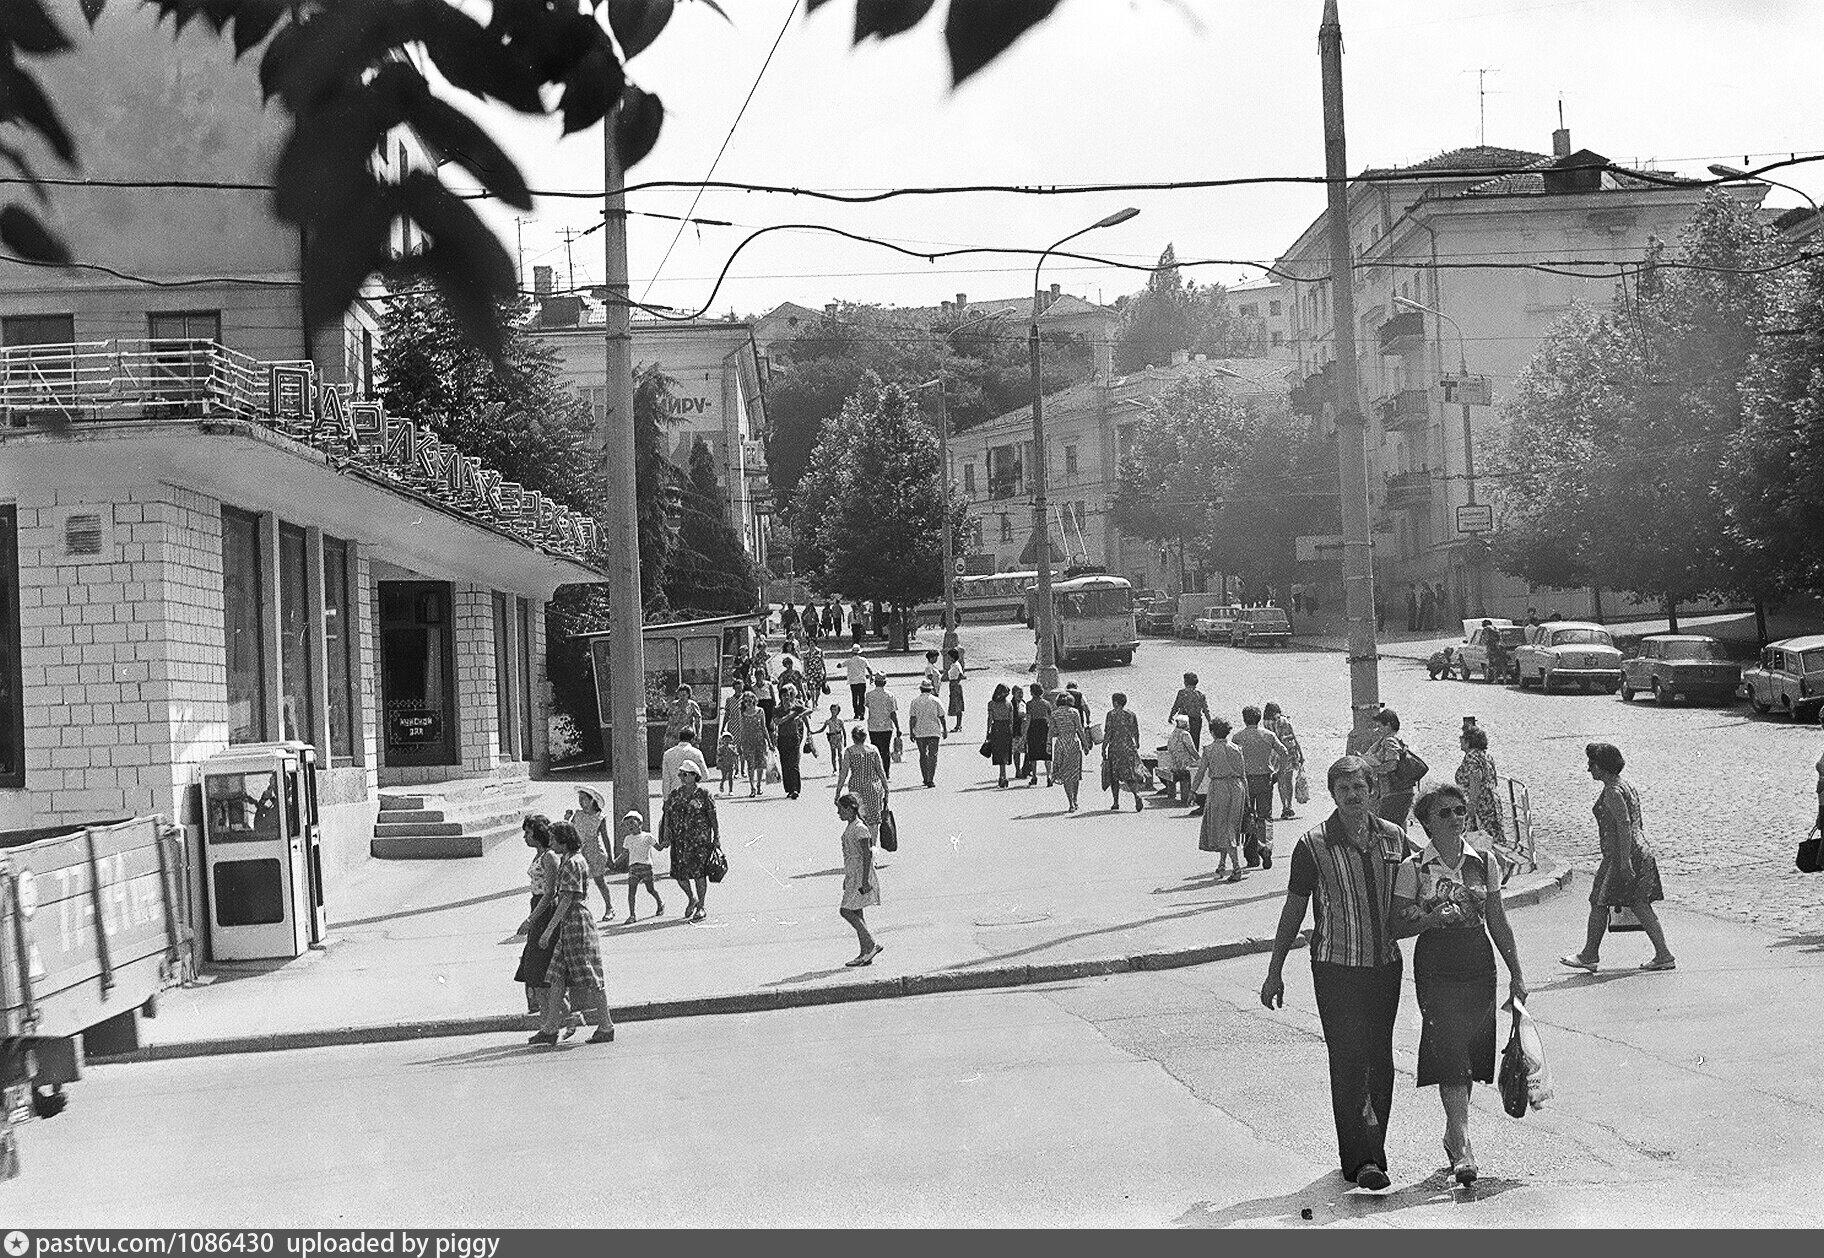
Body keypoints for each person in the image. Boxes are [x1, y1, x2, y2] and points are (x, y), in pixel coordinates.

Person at [1260, 756, 1417, 1191]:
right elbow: (1294, 908)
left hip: (1385, 966)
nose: (1352, 796)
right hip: (1335, 969)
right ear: (1332, 794)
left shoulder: (1394, 838)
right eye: (1343, 789)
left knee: (1380, 1061)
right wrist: (1275, 970)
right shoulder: (1313, 844)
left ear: (1373, 792)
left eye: (1359, 788)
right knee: (1349, 1060)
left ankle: (1373, 1149)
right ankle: (1363, 1159)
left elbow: (1421, 882)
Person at [1394, 784, 1527, 1186]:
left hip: (1477, 960)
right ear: (1426, 822)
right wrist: (1431, 919)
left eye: (1459, 812)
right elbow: (1397, 924)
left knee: (1468, 1051)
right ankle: (1465, 1145)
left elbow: (1498, 920)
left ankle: (1454, 1134)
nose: (1455, 819)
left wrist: (1517, 974)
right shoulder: (1413, 867)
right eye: (1445, 813)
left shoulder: (1484, 861)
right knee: (1449, 1049)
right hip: (1435, 961)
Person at [1560, 742, 1676, 973]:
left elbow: (1623, 824)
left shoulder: (1612, 792)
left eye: (1592, 764)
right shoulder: (1625, 786)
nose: (1589, 769)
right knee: (1639, 903)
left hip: (1621, 855)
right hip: (1638, 849)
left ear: (1602, 766)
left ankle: (1589, 954)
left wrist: (1624, 862)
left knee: (1599, 901)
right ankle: (1663, 954)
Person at [529, 821, 616, 1046]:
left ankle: (606, 1025)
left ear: (564, 841)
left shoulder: (572, 863)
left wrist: (548, 931)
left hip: (576, 924)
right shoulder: (570, 860)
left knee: (590, 976)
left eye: (554, 839)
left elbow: (566, 899)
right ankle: (550, 1028)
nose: (551, 843)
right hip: (570, 923)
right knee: (557, 976)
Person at [513, 815, 573, 1031]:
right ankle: (554, 1023)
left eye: (528, 832)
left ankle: (553, 1024)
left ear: (538, 833)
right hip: (536, 906)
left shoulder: (550, 857)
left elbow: (550, 893)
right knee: (535, 974)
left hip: (545, 911)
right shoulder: (539, 855)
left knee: (541, 972)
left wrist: (531, 920)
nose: (525, 837)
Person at [657, 760, 720, 923]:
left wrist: (717, 837)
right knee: (680, 875)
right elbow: (668, 815)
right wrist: (666, 834)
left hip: (699, 841)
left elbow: (712, 817)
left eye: (685, 774)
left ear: (694, 776)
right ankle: (692, 898)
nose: (682, 777)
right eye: (680, 774)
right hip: (679, 841)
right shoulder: (675, 794)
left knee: (699, 874)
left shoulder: (704, 794)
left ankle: (701, 906)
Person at [1189, 718, 1248, 882]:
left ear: (1212, 732)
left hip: (1219, 788)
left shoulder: (1209, 750)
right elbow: (1243, 775)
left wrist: (1193, 790)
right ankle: (1222, 863)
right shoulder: (1236, 749)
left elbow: (1200, 772)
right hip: (1237, 788)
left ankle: (1236, 867)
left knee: (1222, 827)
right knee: (1231, 826)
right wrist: (1247, 798)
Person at [1234, 706, 1290, 869]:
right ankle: (1266, 847)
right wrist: (1280, 773)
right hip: (1265, 778)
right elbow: (1284, 752)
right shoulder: (1268, 735)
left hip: (1246, 780)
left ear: (1244, 719)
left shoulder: (1238, 737)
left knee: (1248, 816)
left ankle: (1252, 856)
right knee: (1265, 816)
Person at [835, 792, 884, 968]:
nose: (839, 813)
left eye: (841, 809)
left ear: (850, 809)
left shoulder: (860, 828)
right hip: (853, 874)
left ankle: (871, 943)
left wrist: (865, 880)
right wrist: (847, 878)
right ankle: (865, 953)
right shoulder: (851, 827)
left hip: (860, 874)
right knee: (856, 912)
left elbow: (867, 856)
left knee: (846, 911)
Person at [566, 787, 616, 924]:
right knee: (580, 883)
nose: (581, 802)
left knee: (600, 880)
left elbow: (606, 838)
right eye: (580, 799)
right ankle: (582, 910)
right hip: (578, 851)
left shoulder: (599, 817)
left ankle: (609, 907)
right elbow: (568, 830)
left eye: (584, 799)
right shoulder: (577, 815)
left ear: (592, 800)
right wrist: (566, 819)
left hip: (594, 851)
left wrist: (610, 857)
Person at [1362, 707, 1419, 828]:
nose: (1378, 730)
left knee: (1388, 828)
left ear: (1388, 725)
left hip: (1394, 791)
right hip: (1401, 791)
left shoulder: (1389, 741)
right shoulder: (1398, 740)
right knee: (1398, 828)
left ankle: (1412, 847)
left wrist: (1373, 769)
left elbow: (1392, 764)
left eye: (1380, 726)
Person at [1454, 725, 1505, 845]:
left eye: (1462, 737)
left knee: (1479, 840)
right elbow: (1493, 780)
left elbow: (1475, 779)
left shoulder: (1472, 757)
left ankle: (1492, 862)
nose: (1460, 739)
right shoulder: (1486, 756)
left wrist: (1471, 805)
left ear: (1469, 741)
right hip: (1491, 802)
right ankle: (1500, 861)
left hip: (1479, 805)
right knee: (1492, 838)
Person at [835, 725, 889, 839]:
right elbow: (880, 770)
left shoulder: (849, 751)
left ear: (853, 738)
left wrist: (838, 791)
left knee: (859, 818)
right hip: (873, 787)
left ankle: (861, 846)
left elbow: (843, 772)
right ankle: (872, 848)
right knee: (873, 820)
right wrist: (886, 787)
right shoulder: (873, 750)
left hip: (856, 787)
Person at [1100, 692, 1148, 812]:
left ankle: (1116, 802)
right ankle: (1136, 795)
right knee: (1130, 774)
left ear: (1115, 702)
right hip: (1129, 747)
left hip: (1115, 748)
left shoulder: (1111, 714)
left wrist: (1103, 747)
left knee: (1114, 776)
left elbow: (1108, 732)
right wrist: (1137, 743)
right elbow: (1136, 731)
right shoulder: (1131, 714)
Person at [1049, 692, 1092, 812]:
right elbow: (1079, 729)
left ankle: (1070, 802)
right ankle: (1076, 799)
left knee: (1065, 773)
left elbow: (1051, 731)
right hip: (1073, 743)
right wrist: (1085, 745)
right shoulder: (1074, 712)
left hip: (1061, 743)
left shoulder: (1054, 714)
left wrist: (1048, 745)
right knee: (1075, 774)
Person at [619, 810, 665, 922]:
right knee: (631, 891)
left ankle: (660, 902)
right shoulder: (628, 839)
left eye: (631, 823)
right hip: (633, 868)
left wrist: (665, 843)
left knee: (650, 889)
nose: (629, 826)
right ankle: (632, 915)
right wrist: (614, 862)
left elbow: (658, 847)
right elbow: (625, 853)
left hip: (646, 867)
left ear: (639, 823)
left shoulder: (647, 836)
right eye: (627, 824)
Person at [1264, 701, 1304, 820]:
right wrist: (1300, 753)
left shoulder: (1266, 723)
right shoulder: (1283, 721)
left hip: (1275, 754)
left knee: (1281, 781)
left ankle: (1284, 806)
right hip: (1289, 752)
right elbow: (1292, 738)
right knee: (1288, 781)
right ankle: (1289, 806)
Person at [731, 690, 773, 798]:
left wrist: (769, 742)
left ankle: (758, 784)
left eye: (750, 700)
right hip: (747, 741)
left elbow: (764, 727)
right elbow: (742, 729)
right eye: (745, 701)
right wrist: (739, 744)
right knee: (750, 765)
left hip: (759, 741)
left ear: (754, 700)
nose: (748, 703)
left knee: (760, 764)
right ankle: (752, 787)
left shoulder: (760, 711)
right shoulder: (743, 713)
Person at [909, 680, 947, 788]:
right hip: (934, 731)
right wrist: (945, 729)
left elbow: (912, 718)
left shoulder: (915, 701)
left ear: (920, 689)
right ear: (930, 689)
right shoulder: (936, 700)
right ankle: (930, 779)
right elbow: (942, 716)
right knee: (933, 755)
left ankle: (925, 777)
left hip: (920, 731)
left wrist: (911, 732)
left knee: (922, 755)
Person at [863, 673, 901, 780]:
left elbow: (867, 705)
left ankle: (876, 772)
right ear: (885, 682)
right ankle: (886, 772)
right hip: (886, 726)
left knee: (875, 750)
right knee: (885, 751)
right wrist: (898, 727)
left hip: (873, 726)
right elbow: (893, 713)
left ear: (875, 682)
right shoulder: (890, 695)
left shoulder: (869, 695)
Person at [661, 728, 710, 800]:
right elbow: (705, 776)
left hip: (674, 796)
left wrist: (666, 799)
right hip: (693, 796)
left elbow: (666, 779)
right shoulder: (696, 753)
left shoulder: (668, 754)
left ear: (679, 738)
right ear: (693, 739)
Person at [776, 698, 809, 799]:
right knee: (785, 764)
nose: (786, 698)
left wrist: (799, 715)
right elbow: (777, 721)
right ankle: (789, 789)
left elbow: (809, 710)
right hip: (782, 738)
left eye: (788, 695)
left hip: (794, 737)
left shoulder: (795, 707)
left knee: (794, 764)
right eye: (784, 695)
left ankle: (795, 789)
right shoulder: (777, 709)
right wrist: (790, 716)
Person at [1022, 684, 1054, 787]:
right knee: (1047, 753)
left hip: (1034, 728)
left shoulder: (1029, 704)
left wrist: (1025, 734)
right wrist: (1051, 732)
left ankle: (1034, 776)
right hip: (1044, 727)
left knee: (1033, 754)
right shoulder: (1047, 704)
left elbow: (1028, 719)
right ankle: (1049, 776)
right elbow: (1050, 719)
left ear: (1032, 692)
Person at [986, 683, 1016, 788]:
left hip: (997, 727)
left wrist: (988, 731)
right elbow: (1011, 720)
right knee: (1005, 753)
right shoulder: (1009, 704)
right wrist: (1011, 731)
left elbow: (990, 718)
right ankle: (1003, 776)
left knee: (999, 753)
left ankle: (1002, 776)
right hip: (1006, 728)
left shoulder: (991, 704)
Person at [1170, 672, 1210, 748]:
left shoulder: (1182, 693)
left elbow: (1176, 706)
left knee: (1182, 741)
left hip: (1183, 720)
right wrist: (1210, 722)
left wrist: (1171, 716)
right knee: (1195, 741)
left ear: (1185, 682)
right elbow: (1206, 710)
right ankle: (1195, 757)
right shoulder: (1200, 695)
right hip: (1196, 721)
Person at [1165, 714, 1198, 805]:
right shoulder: (1185, 734)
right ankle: (1188, 798)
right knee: (1193, 772)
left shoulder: (1173, 733)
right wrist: (1200, 759)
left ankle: (1172, 795)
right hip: (1184, 764)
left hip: (1174, 764)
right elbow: (1192, 750)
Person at [817, 704, 848, 774]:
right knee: (833, 753)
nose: (833, 711)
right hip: (832, 738)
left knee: (840, 753)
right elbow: (822, 729)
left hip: (839, 737)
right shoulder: (828, 721)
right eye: (832, 710)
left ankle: (841, 768)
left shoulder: (840, 720)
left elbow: (844, 730)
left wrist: (845, 740)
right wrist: (814, 732)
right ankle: (834, 769)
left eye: (835, 710)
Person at [844, 644, 870, 718]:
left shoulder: (849, 661)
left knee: (855, 698)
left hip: (853, 682)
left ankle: (856, 713)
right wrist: (871, 676)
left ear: (852, 652)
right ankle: (862, 713)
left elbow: (839, 665)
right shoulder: (863, 660)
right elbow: (869, 669)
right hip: (862, 681)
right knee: (862, 698)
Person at [945, 649, 966, 732]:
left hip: (955, 685)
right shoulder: (953, 665)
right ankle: (958, 724)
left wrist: (957, 682)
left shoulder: (957, 665)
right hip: (952, 684)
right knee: (955, 704)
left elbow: (961, 674)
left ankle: (959, 725)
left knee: (958, 705)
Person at [717, 729, 739, 794]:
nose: (726, 740)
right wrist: (718, 764)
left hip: (730, 764)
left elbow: (736, 755)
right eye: (725, 739)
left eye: (728, 739)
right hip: (723, 764)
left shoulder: (733, 747)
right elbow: (719, 756)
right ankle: (721, 784)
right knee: (724, 776)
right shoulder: (721, 748)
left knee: (730, 777)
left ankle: (731, 790)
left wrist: (736, 765)